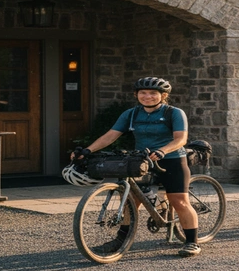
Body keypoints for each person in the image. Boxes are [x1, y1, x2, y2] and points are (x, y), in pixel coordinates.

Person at [70, 77, 202, 257]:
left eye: (153, 93)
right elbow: (111, 135)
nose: (147, 96)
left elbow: (180, 139)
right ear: (136, 95)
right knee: (131, 200)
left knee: (179, 201)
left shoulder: (174, 113)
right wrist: (87, 150)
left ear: (163, 95)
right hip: (142, 161)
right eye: (143, 93)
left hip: (171, 160)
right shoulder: (131, 114)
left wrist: (163, 151)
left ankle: (192, 242)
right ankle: (121, 240)